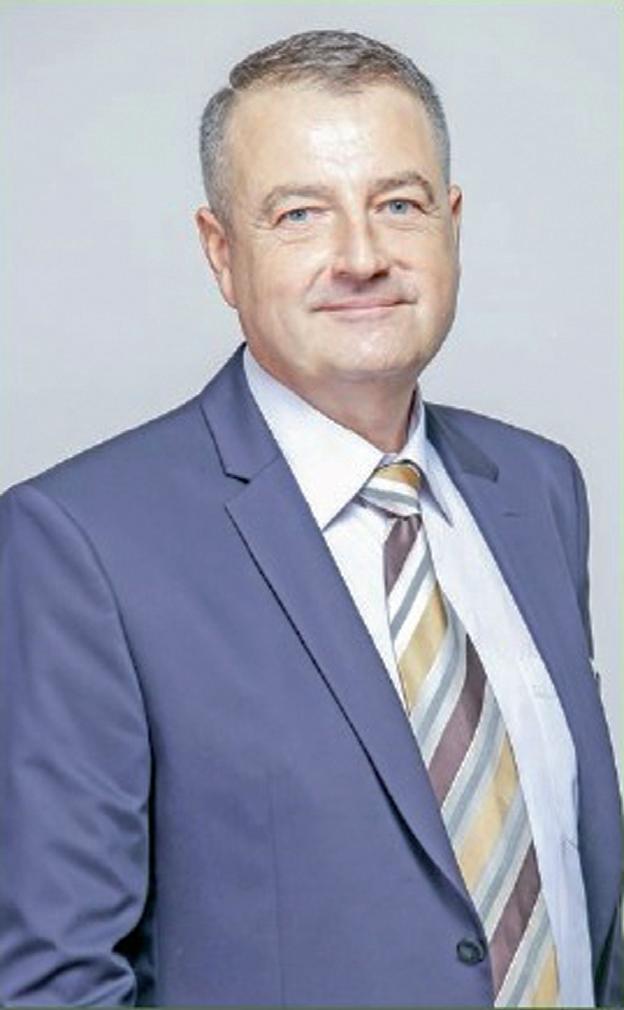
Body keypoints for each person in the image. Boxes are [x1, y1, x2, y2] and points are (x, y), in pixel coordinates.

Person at [0, 28, 621, 1008]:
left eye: (399, 204)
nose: (362, 257)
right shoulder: (80, 546)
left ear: (452, 224)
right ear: (221, 253)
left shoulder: (538, 489)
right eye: (300, 215)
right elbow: (54, 983)